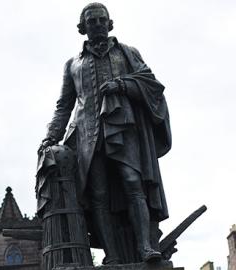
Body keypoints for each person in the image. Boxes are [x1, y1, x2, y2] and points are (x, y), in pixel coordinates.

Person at [39, 2, 171, 264]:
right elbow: (64, 105)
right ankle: (112, 255)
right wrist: (51, 135)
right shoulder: (72, 64)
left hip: (124, 129)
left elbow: (151, 84)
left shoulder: (127, 53)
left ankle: (145, 246)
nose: (97, 25)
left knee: (133, 183)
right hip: (88, 136)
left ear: (110, 24)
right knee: (97, 194)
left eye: (102, 20)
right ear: (83, 27)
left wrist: (122, 85)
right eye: (92, 21)